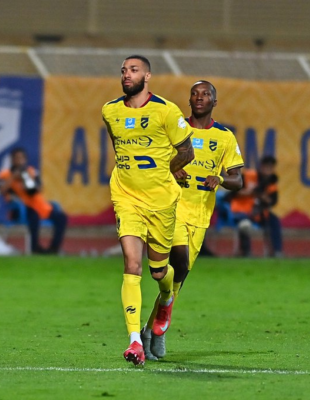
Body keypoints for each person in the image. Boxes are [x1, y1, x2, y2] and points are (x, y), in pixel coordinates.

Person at [141, 80, 244, 360]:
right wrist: (172, 169)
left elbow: (238, 179)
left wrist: (220, 178)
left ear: (214, 102)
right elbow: (153, 163)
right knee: (179, 261)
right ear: (188, 101)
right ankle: (156, 330)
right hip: (171, 208)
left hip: (200, 216)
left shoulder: (224, 137)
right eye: (194, 94)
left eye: (205, 94)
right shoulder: (176, 129)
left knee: (178, 279)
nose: (199, 98)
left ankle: (152, 330)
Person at [102, 55, 194, 366]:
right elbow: (119, 147)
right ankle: (134, 340)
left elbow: (187, 152)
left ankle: (166, 298)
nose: (126, 75)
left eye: (134, 70)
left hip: (160, 201)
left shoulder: (166, 111)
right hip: (126, 197)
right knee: (132, 264)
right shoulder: (110, 111)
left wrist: (166, 170)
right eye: (123, 70)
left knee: (159, 272)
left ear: (148, 76)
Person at [0, 148, 67, 254]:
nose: (19, 161)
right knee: (34, 216)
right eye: (17, 158)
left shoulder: (31, 172)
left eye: (21, 158)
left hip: (39, 206)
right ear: (12, 160)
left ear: (25, 160)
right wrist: (13, 177)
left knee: (61, 217)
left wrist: (26, 178)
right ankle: (35, 248)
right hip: (20, 208)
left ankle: (53, 249)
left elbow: (36, 190)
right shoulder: (4, 175)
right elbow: (1, 191)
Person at [229, 155, 283, 257]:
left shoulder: (271, 182)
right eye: (266, 166)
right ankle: (246, 252)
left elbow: (272, 202)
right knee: (245, 224)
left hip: (258, 212)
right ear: (261, 166)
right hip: (241, 210)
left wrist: (263, 196)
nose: (268, 170)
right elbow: (232, 193)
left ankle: (277, 251)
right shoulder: (248, 175)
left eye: (271, 167)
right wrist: (250, 192)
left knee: (274, 220)